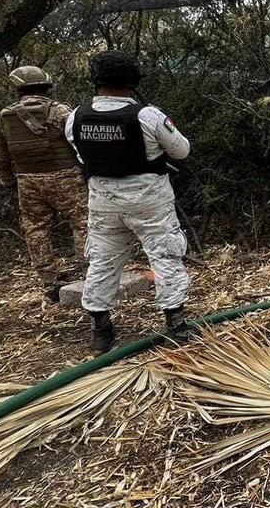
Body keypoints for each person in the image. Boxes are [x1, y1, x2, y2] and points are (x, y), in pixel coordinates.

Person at [64, 51, 197, 353]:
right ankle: (176, 324)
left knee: (102, 261)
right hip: (149, 200)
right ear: (133, 81)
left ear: (96, 81)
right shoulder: (147, 116)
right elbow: (181, 151)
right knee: (165, 256)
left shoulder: (76, 117)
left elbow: (81, 155)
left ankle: (101, 331)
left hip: (103, 201)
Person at [0, 66, 89, 303]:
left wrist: (7, 180)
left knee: (36, 229)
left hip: (28, 180)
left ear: (19, 89)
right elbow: (81, 143)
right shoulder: (62, 111)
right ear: (46, 87)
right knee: (83, 222)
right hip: (66, 177)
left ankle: (50, 281)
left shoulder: (4, 116)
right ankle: (90, 273)